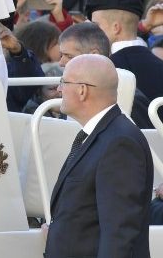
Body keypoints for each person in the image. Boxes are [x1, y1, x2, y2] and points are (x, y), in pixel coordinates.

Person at [45, 54, 152, 257]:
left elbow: (119, 233)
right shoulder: (102, 135)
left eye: (63, 82)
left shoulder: (120, 142)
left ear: (82, 90)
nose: (59, 89)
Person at [87, 0, 163, 122]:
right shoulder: (159, 65)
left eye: (95, 26)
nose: (91, 32)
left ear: (116, 27)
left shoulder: (106, 70)